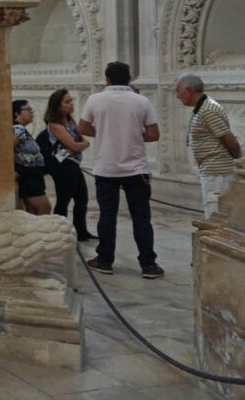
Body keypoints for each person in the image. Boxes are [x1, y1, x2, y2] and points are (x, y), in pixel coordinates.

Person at [78, 61, 163, 279]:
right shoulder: (141, 101)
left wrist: (107, 133)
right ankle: (149, 265)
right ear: (130, 78)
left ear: (107, 79)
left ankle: (105, 260)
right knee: (142, 217)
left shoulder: (95, 100)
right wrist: (133, 134)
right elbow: (154, 134)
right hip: (137, 169)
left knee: (107, 216)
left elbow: (83, 128)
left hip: (106, 168)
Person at [175, 73, 243, 218]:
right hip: (212, 170)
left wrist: (238, 164)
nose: (177, 96)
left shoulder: (208, 110)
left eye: (178, 91)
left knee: (214, 215)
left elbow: (229, 139)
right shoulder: (203, 108)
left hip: (217, 172)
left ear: (189, 90)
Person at [42, 89, 95, 241]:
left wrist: (76, 146)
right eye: (67, 101)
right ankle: (59, 233)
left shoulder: (70, 122)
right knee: (63, 199)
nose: (72, 104)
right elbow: (76, 145)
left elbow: (83, 142)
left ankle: (82, 231)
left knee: (82, 199)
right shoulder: (55, 124)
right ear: (58, 106)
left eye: (71, 100)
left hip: (72, 164)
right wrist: (76, 147)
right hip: (62, 166)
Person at [12, 100, 52, 215]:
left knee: (33, 211)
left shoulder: (21, 129)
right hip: (28, 176)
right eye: (28, 109)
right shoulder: (18, 129)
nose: (32, 112)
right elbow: (7, 149)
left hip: (33, 175)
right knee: (44, 208)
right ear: (17, 113)